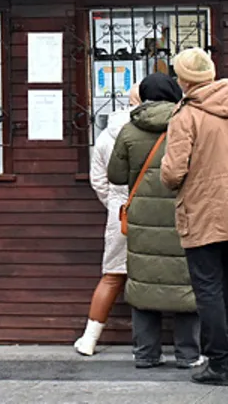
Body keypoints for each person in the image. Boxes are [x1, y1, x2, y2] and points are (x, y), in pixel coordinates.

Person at [161, 47, 228, 387]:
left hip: (202, 209)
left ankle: (218, 363)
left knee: (208, 287)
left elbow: (173, 172)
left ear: (184, 80)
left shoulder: (186, 115)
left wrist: (166, 175)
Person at [107, 74, 206, 369]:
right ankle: (188, 354)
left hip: (143, 219)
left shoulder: (128, 131)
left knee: (143, 281)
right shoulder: (188, 124)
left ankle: (147, 353)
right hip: (182, 212)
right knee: (187, 280)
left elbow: (116, 176)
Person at [73, 85, 141, 356]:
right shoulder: (168, 126)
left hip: (121, 210)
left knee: (113, 274)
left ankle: (90, 338)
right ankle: (154, 344)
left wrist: (115, 203)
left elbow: (98, 179)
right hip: (160, 211)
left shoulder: (107, 133)